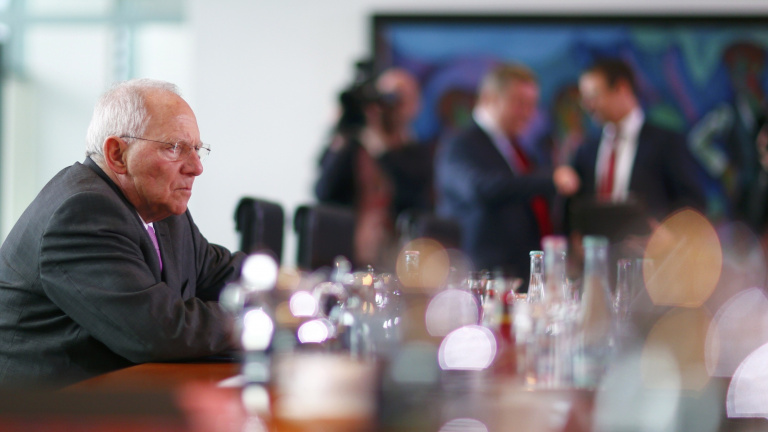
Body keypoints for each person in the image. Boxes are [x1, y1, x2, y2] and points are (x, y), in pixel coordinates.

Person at [0, 79, 245, 387]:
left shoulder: (162, 209)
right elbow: (158, 331)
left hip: (117, 393)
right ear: (117, 154)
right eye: (175, 148)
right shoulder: (83, 212)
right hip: (47, 405)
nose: (196, 167)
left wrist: (292, 291)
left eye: (197, 149)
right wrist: (261, 321)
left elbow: (219, 272)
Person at [434, 63, 580, 279]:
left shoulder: (518, 149)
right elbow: (479, 189)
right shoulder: (460, 144)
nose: (528, 114)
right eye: (520, 103)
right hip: (483, 273)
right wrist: (550, 181)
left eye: (532, 105)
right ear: (489, 98)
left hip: (521, 272)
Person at [571, 58, 707, 237]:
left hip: (651, 250)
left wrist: (670, 235)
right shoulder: (586, 150)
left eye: (593, 96)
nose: (588, 106)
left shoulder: (666, 141)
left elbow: (692, 202)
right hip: (598, 251)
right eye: (584, 100)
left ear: (621, 88)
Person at [315, 67, 434, 268]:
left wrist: (382, 151)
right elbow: (323, 192)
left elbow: (416, 200)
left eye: (399, 98)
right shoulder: (352, 147)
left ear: (415, 106)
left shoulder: (417, 153)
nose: (389, 106)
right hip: (345, 253)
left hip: (396, 256)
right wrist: (341, 133)